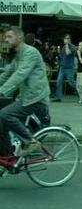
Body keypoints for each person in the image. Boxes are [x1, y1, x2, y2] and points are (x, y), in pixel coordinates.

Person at [0, 26, 48, 157]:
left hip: (35, 98)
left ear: (19, 37)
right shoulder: (18, 54)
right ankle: (7, 157)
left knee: (4, 114)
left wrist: (2, 91)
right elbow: (8, 74)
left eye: (9, 37)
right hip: (25, 96)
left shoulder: (30, 52)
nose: (6, 39)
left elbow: (21, 74)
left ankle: (31, 142)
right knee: (1, 123)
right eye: (5, 37)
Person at [53, 33, 77, 102]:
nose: (65, 40)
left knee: (71, 83)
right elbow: (62, 56)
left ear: (70, 40)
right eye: (65, 38)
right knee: (59, 82)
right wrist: (58, 53)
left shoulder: (73, 47)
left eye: (67, 38)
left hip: (69, 68)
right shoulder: (63, 47)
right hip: (62, 68)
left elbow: (68, 53)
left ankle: (81, 92)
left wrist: (66, 45)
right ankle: (58, 97)